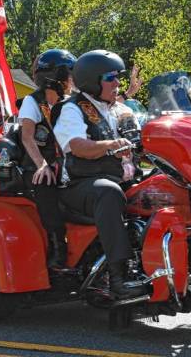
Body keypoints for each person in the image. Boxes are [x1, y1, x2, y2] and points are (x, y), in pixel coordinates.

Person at [53, 49, 146, 300]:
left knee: (167, 188)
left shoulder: (118, 110)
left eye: (118, 77)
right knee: (108, 191)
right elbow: (78, 146)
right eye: (110, 77)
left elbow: (143, 140)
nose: (117, 83)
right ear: (92, 82)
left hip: (124, 179)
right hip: (80, 185)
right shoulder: (72, 109)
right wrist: (112, 146)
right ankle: (119, 277)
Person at [19, 49, 76, 270]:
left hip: (65, 161)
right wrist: (41, 165)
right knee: (45, 181)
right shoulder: (32, 102)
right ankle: (57, 244)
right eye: (69, 75)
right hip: (36, 162)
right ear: (55, 78)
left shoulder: (71, 102)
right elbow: (27, 137)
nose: (73, 80)